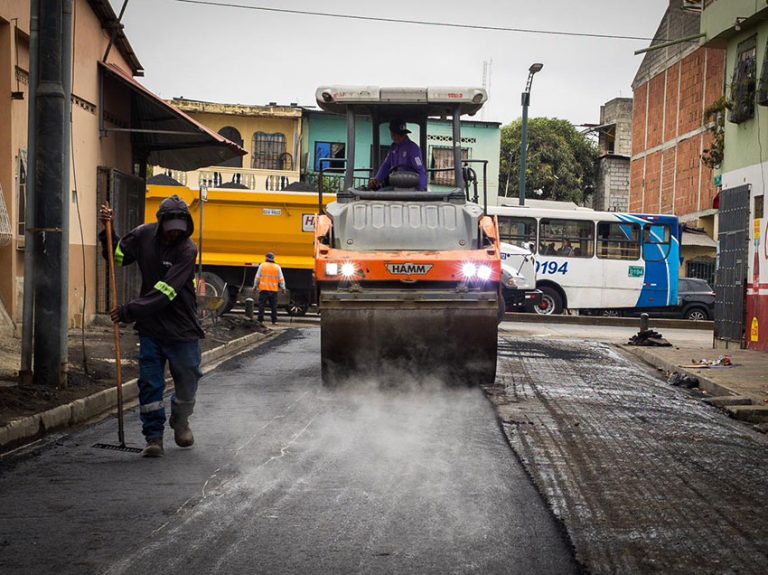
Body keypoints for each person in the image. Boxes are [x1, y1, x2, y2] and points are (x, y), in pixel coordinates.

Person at [99, 195, 203, 458]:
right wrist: (108, 233)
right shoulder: (143, 235)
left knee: (188, 382)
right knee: (150, 384)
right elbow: (119, 257)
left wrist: (128, 311)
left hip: (182, 328)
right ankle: (154, 438)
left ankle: (180, 421)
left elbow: (165, 292)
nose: (174, 236)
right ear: (160, 224)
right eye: (170, 231)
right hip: (152, 329)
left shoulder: (188, 250)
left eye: (180, 231)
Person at [368, 120, 427, 191]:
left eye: (401, 134)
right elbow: (386, 165)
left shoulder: (413, 148)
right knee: (379, 193)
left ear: (405, 134)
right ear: (391, 133)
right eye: (395, 134)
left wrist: (421, 191)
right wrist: (377, 179)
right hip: (395, 185)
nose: (398, 137)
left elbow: (420, 169)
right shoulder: (393, 148)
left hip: (410, 187)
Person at [254, 251, 286, 325]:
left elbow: (257, 277)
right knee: (274, 307)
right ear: (273, 258)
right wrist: (283, 288)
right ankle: (274, 321)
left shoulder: (262, 266)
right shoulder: (277, 267)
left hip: (264, 290)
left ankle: (260, 320)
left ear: (266, 258)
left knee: (261, 306)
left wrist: (255, 286)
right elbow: (281, 279)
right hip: (273, 290)